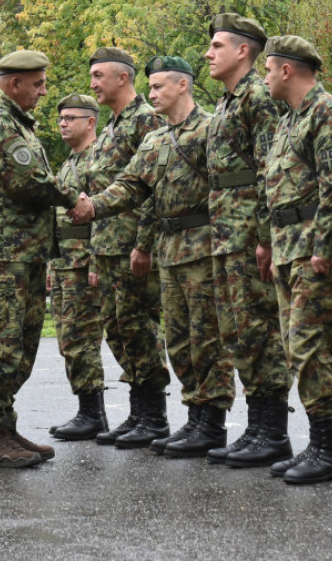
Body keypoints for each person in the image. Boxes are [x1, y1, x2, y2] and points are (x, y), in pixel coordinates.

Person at [72, 56, 234, 457]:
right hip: (171, 249)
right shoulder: (156, 140)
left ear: (183, 86)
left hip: (204, 245)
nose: (153, 94)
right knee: (180, 340)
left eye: (160, 86)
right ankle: (194, 418)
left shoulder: (212, 128)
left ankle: (211, 422)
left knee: (206, 337)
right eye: (152, 87)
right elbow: (130, 186)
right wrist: (92, 206)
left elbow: (232, 188)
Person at [0, 50, 79, 468]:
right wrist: (72, 198)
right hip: (2, 253)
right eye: (38, 83)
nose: (44, 91)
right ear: (14, 84)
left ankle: (5, 429)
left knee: (23, 342)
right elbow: (26, 182)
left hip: (21, 251)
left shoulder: (16, 121)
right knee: (2, 344)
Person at [261, 35, 332, 484]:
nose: (263, 77)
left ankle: (327, 450)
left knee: (312, 348)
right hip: (288, 247)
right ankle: (319, 442)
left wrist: (324, 246)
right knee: (298, 349)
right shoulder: (289, 121)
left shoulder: (326, 115)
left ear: (286, 70)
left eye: (266, 68)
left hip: (313, 250)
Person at [203, 13, 293, 468]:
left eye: (217, 45)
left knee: (258, 329)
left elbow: (269, 170)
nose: (208, 53)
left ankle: (273, 431)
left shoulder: (257, 98)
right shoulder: (226, 102)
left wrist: (264, 235)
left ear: (243, 51)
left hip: (245, 235)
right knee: (238, 332)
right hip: (225, 234)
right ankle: (257, 426)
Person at [84, 47, 171, 448]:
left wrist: (144, 243)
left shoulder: (146, 120)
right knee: (119, 331)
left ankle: (154, 416)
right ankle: (138, 412)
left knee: (140, 329)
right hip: (108, 247)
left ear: (123, 78)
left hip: (133, 246)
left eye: (100, 75)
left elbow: (154, 186)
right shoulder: (112, 127)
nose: (93, 83)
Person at [48, 93, 108, 441]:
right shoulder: (69, 163)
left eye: (71, 117)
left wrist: (97, 258)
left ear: (90, 122)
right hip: (65, 262)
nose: (63, 123)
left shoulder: (97, 161)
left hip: (85, 261)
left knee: (83, 337)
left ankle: (93, 414)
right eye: (61, 118)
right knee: (69, 337)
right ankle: (86, 409)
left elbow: (104, 215)